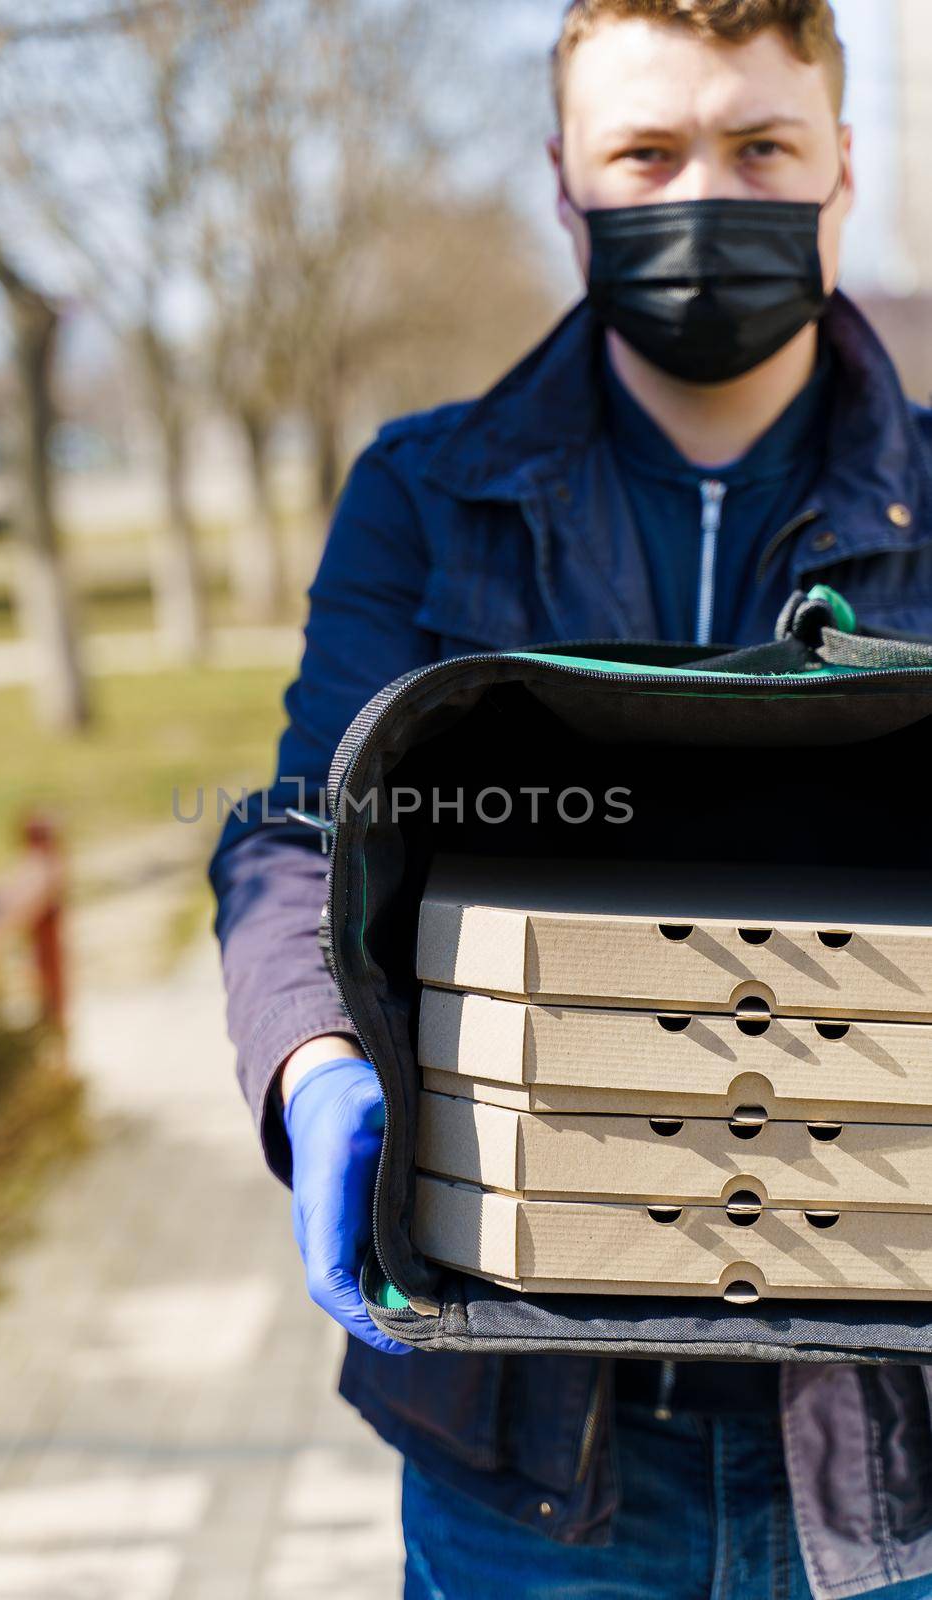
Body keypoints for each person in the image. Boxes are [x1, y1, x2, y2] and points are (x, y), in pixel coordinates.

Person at [208, 3, 932, 1596]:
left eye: (759, 148)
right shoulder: (422, 489)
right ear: (565, 180)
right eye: (646, 154)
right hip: (527, 1446)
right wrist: (309, 1052)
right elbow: (298, 828)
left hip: (901, 1453)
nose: (703, 195)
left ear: (843, 168)